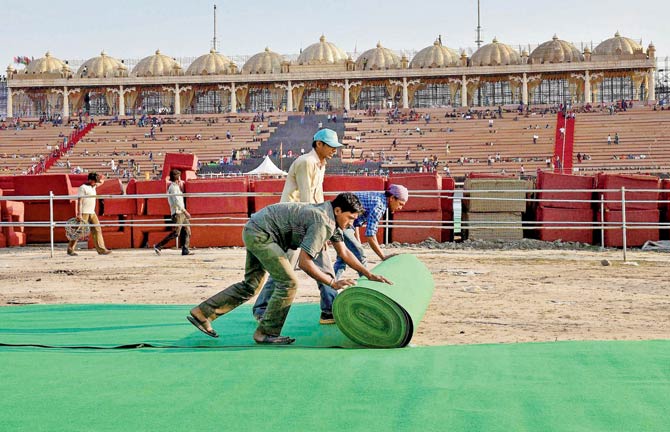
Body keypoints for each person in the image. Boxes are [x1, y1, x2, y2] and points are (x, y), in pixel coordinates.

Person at [187, 193, 392, 345]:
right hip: (262, 234)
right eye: (350, 218)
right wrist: (331, 282)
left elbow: (344, 253)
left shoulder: (331, 217)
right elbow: (304, 262)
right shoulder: (323, 221)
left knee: (251, 285)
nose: (350, 224)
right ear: (338, 211)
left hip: (256, 228)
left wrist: (369, 274)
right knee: (289, 282)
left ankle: (201, 313)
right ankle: (266, 332)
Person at [252, 128, 341, 325]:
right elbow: (307, 197)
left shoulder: (320, 164)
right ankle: (263, 309)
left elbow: (318, 196)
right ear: (319, 144)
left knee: (308, 265)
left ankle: (329, 310)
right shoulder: (306, 163)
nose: (335, 150)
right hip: (293, 223)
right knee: (287, 269)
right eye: (332, 146)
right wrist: (319, 228)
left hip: (309, 220)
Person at [333, 185, 408, 280]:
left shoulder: (378, 198)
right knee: (360, 254)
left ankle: (330, 285)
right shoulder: (379, 205)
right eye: (400, 204)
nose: (400, 208)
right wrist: (383, 256)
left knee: (343, 257)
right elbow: (370, 235)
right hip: (342, 222)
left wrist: (357, 239)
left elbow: (355, 220)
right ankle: (367, 282)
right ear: (392, 198)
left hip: (344, 222)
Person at [67, 172, 111, 256]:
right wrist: (79, 214)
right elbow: (80, 201)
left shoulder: (93, 186)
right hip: (84, 212)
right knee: (78, 231)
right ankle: (70, 249)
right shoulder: (83, 188)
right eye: (94, 181)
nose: (96, 183)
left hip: (92, 212)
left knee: (97, 230)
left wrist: (102, 177)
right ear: (90, 180)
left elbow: (101, 182)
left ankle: (101, 249)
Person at [154, 169, 193, 256]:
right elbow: (177, 201)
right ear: (177, 177)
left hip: (180, 212)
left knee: (187, 230)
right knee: (176, 233)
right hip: (178, 213)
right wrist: (185, 211)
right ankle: (158, 246)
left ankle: (185, 249)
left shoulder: (176, 187)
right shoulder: (173, 188)